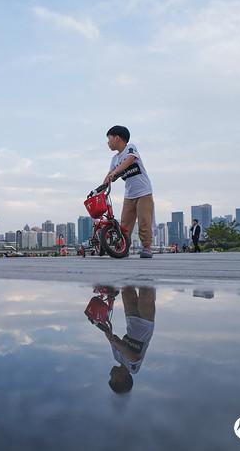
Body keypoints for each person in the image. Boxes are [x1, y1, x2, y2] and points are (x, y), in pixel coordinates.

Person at [103, 125, 154, 258]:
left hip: (144, 192)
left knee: (144, 220)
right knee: (125, 224)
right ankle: (123, 248)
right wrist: (103, 186)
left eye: (109, 139)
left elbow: (130, 159)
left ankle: (147, 247)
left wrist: (116, 171)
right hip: (129, 194)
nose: (108, 142)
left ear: (117, 138)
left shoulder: (130, 148)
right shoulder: (114, 159)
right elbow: (109, 175)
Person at [106, 286, 156, 393]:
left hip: (131, 320)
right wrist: (117, 343)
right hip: (145, 323)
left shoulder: (117, 357)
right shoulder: (133, 369)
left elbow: (112, 338)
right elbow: (133, 357)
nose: (110, 374)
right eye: (112, 378)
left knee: (127, 289)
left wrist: (102, 325)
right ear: (121, 380)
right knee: (146, 290)